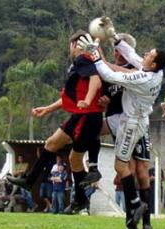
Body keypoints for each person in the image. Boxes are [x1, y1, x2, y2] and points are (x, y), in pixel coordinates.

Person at [78, 21, 165, 229]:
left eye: (150, 54)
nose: (144, 54)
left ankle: (138, 209)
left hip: (132, 123)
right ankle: (95, 169)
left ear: (153, 62)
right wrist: (114, 36)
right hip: (130, 119)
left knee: (128, 168)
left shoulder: (143, 78)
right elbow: (133, 55)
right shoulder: (152, 69)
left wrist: (95, 55)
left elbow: (110, 75)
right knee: (94, 131)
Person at [7, 30, 104, 217]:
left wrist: (88, 100)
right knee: (51, 143)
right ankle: (29, 180)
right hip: (80, 114)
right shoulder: (81, 62)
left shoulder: (83, 59)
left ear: (75, 44)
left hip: (87, 115)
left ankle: (81, 198)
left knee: (74, 159)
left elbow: (96, 80)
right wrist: (47, 109)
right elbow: (71, 96)